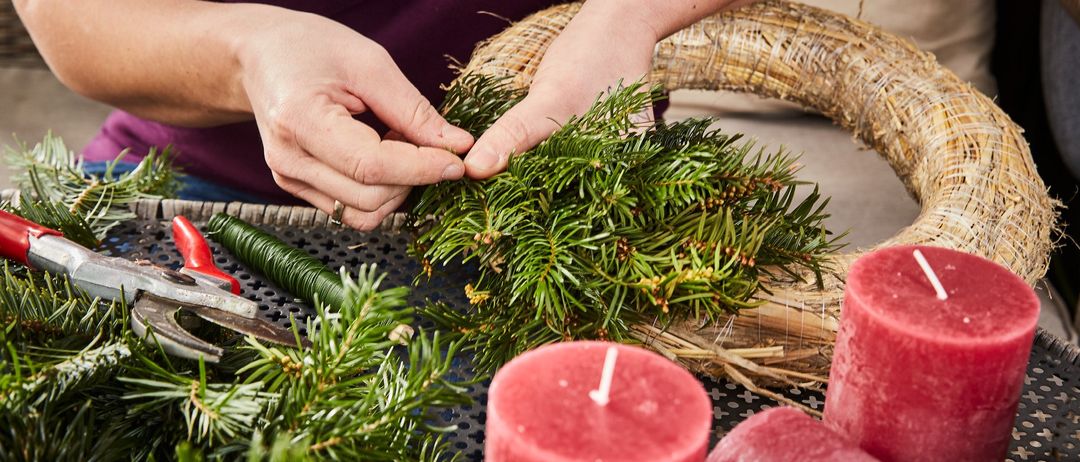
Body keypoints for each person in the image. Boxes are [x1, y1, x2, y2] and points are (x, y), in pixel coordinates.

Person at [14, 0, 751, 230]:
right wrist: (249, 54)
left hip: (556, 195)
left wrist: (629, 17)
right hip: (188, 179)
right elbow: (72, 16)